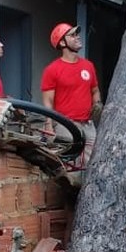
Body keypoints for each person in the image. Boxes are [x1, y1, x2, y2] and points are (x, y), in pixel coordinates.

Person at [41, 22, 103, 170]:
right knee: (69, 166)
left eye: (77, 34)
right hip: (65, 125)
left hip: (88, 125)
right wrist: (48, 126)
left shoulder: (88, 66)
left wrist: (98, 103)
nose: (77, 37)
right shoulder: (52, 70)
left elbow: (95, 90)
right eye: (72, 35)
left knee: (92, 165)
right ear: (62, 42)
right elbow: (48, 101)